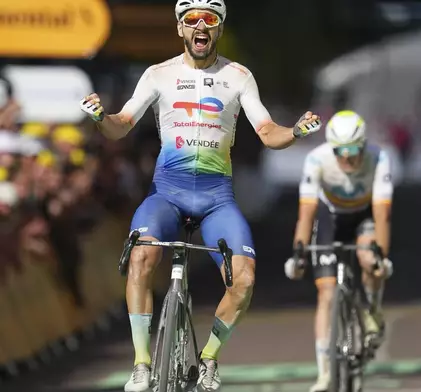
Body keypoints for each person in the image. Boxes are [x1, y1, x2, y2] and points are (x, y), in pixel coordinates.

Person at [79, 0, 322, 390]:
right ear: (181, 29)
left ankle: (208, 358)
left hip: (216, 200)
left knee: (243, 279)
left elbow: (267, 132)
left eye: (210, 20)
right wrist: (99, 118)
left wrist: (295, 132)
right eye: (192, 20)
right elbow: (121, 125)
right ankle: (142, 362)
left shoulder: (239, 76)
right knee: (141, 256)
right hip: (167, 194)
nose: (201, 26)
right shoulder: (158, 74)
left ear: (219, 30)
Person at [284, 110, 394, 392]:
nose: (347, 157)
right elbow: (306, 214)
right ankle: (324, 373)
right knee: (327, 293)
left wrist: (381, 256)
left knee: (369, 258)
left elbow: (382, 216)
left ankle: (371, 308)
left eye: (354, 150)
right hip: (330, 217)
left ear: (364, 144)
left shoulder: (379, 158)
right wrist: (298, 253)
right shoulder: (316, 159)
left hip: (365, 216)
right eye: (340, 151)